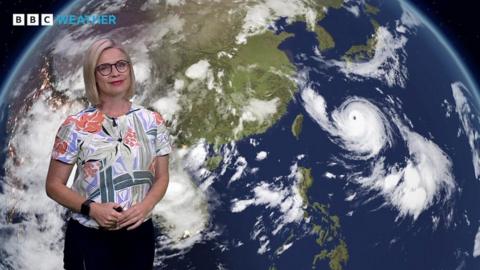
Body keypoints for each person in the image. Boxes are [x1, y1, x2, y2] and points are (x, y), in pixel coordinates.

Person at [45, 38, 172, 270]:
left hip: (139, 236)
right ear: (93, 76)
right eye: (104, 67)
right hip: (90, 238)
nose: (115, 72)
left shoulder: (152, 121)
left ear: (130, 69)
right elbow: (53, 185)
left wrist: (145, 206)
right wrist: (92, 209)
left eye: (121, 64)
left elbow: (162, 177)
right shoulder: (75, 126)